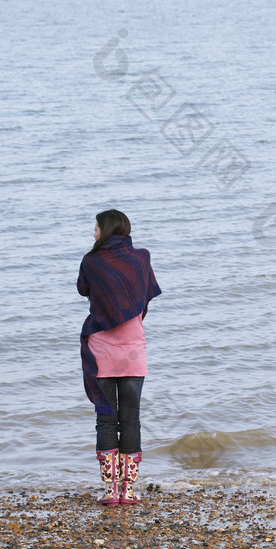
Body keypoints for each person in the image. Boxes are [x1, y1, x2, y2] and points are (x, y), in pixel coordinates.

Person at [77, 210, 161, 505]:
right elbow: (145, 293)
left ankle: (110, 491)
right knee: (132, 419)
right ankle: (128, 491)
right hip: (133, 349)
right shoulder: (142, 258)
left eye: (96, 227)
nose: (93, 232)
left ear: (107, 229)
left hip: (101, 351)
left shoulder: (91, 261)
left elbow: (82, 289)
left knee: (106, 420)